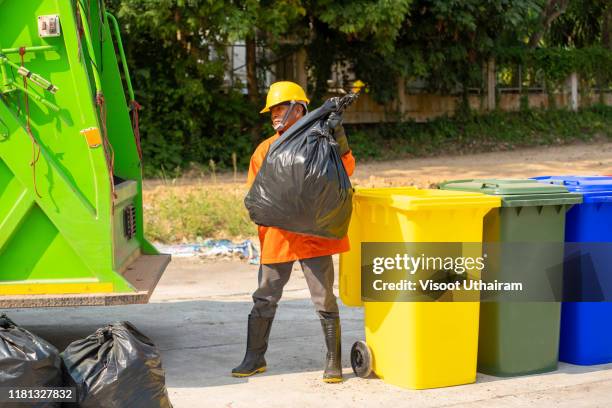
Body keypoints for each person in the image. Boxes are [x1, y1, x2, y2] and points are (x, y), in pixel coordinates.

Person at [232, 81, 355, 383]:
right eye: (271, 110)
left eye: (280, 108)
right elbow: (256, 196)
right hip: (278, 238)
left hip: (315, 238)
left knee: (324, 298)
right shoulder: (266, 149)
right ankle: (254, 357)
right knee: (265, 297)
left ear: (299, 109)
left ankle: (333, 361)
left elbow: (347, 170)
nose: (274, 115)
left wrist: (339, 136)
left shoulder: (321, 143)